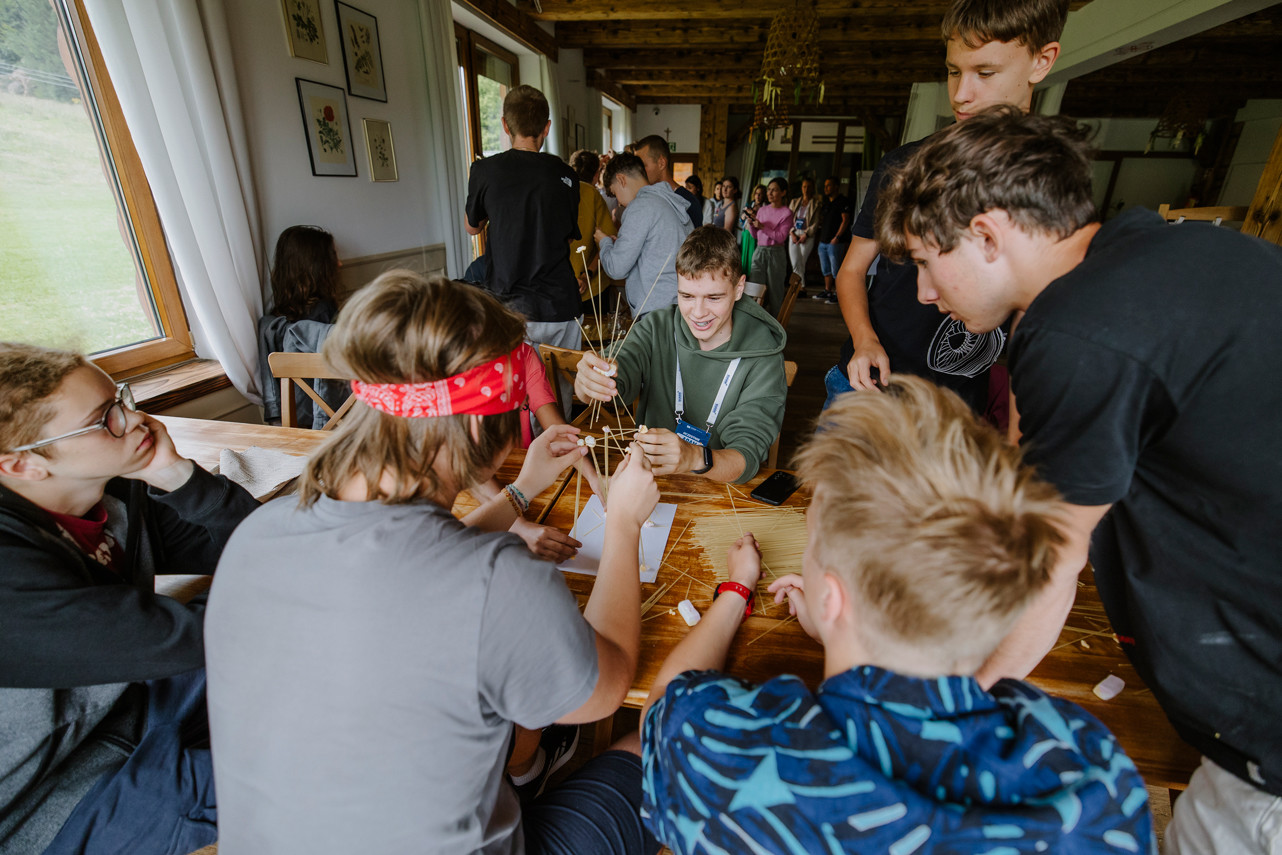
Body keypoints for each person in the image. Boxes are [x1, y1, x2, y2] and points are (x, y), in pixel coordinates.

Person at [875, 106, 1282, 855]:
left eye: (928, 262)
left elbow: (1049, 566)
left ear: (987, 236)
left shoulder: (1077, 332)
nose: (926, 292)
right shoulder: (1158, 250)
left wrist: (954, 706)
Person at [206, 271, 662, 855]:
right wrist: (623, 523)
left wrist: (519, 492)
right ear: (476, 423)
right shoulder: (497, 580)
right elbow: (611, 680)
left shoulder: (254, 536)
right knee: (661, 746)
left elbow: (408, 572)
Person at [640, 376, 1154, 854]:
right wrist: (853, 634)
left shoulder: (725, 758)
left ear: (832, 599)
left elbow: (662, 706)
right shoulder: (1097, 773)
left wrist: (737, 589)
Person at [0, 343, 258, 855]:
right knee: (305, 776)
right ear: (22, 465)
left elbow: (260, 546)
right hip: (44, 796)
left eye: (122, 399)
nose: (136, 420)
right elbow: (195, 638)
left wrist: (176, 475)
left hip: (130, 705)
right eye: (105, 419)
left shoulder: (112, 493)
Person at [825, 0, 1068, 414]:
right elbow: (852, 269)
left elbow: (1034, 323)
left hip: (958, 403)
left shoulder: (1050, 181)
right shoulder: (906, 165)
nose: (960, 95)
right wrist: (865, 341)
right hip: (872, 386)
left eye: (985, 73)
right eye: (954, 71)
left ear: (1042, 61)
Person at [575, 227, 786, 485]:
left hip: (720, 491)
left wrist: (695, 458)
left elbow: (746, 457)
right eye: (687, 296)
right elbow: (619, 366)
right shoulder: (657, 326)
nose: (698, 312)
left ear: (739, 288)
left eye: (713, 297)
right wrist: (588, 382)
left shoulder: (764, 356)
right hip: (650, 483)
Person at [465, 85, 581, 355]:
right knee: (562, 383)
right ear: (547, 127)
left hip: (509, 307)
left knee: (515, 383)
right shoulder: (566, 175)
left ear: (505, 125)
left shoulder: (485, 171)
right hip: (560, 305)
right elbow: (567, 237)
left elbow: (472, 227)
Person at [257, 224, 347, 428]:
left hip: (293, 422)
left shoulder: (272, 323)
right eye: (333, 257)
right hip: (329, 420)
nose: (340, 263)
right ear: (317, 267)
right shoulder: (323, 314)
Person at [597, 151, 693, 318]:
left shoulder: (640, 207)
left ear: (621, 179)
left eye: (615, 193)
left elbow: (616, 268)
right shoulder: (669, 201)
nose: (619, 202)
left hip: (656, 311)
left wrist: (604, 242)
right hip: (679, 303)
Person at [568, 149, 617, 315]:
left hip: (561, 289)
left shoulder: (544, 195)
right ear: (597, 173)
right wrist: (587, 275)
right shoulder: (592, 194)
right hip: (591, 286)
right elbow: (609, 241)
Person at [744, 177, 792, 316]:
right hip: (759, 251)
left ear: (783, 192)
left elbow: (781, 237)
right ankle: (754, 320)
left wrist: (762, 227)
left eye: (774, 190)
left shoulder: (787, 213)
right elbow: (755, 235)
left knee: (775, 291)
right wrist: (752, 225)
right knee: (754, 288)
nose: (770, 193)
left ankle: (776, 323)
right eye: (769, 190)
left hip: (776, 253)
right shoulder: (762, 210)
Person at [634, 135, 702, 227]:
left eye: (643, 166)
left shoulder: (688, 202)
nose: (639, 171)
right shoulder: (647, 197)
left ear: (662, 163)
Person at [813, 176, 852, 303]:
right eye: (825, 186)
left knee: (836, 270)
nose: (826, 188)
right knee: (826, 269)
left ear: (836, 187)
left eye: (829, 185)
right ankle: (827, 291)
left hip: (835, 242)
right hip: (823, 241)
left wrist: (837, 237)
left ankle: (838, 293)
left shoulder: (843, 201)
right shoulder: (826, 203)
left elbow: (845, 220)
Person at [787, 177, 823, 290]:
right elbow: (787, 219)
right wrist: (792, 233)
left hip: (807, 234)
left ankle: (798, 286)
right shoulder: (794, 202)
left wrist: (806, 235)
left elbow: (816, 222)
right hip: (794, 233)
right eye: (804, 186)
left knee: (802, 261)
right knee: (795, 261)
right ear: (801, 188)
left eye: (808, 187)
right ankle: (801, 286)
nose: (806, 189)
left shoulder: (816, 203)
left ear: (812, 188)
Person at [739, 184, 766, 273]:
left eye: (760, 194)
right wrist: (743, 217)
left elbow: (763, 221)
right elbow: (741, 220)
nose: (757, 196)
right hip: (745, 232)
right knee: (744, 255)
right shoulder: (750, 204)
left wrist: (753, 214)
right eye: (756, 193)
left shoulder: (765, 207)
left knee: (752, 256)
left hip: (755, 234)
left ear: (764, 195)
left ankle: (752, 275)